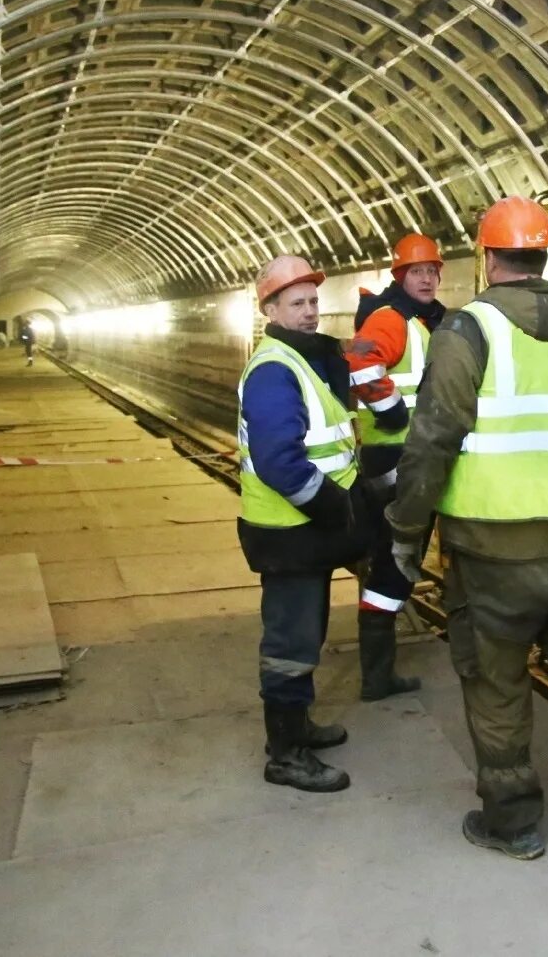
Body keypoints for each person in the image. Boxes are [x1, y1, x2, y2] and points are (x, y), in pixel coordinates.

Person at [388, 196, 548, 861]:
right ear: (545, 255)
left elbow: (432, 440)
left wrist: (406, 531)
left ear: (487, 256)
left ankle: (513, 823)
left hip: (492, 556)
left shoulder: (468, 331)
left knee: (497, 685)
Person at [236, 254, 374, 793]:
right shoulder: (274, 370)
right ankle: (285, 755)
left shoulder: (302, 359)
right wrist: (335, 507)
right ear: (270, 309)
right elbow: (278, 462)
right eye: (297, 303)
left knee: (307, 632)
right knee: (290, 642)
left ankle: (298, 728)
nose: (311, 312)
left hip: (303, 533)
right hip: (289, 531)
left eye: (314, 302)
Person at [344, 233, 447, 701]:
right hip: (395, 460)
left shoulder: (420, 320)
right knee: (395, 563)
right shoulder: (392, 319)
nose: (427, 278)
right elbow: (361, 361)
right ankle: (377, 676)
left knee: (395, 561)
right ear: (400, 276)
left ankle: (377, 673)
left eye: (432, 271)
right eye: (417, 271)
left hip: (407, 459)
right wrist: (392, 412)